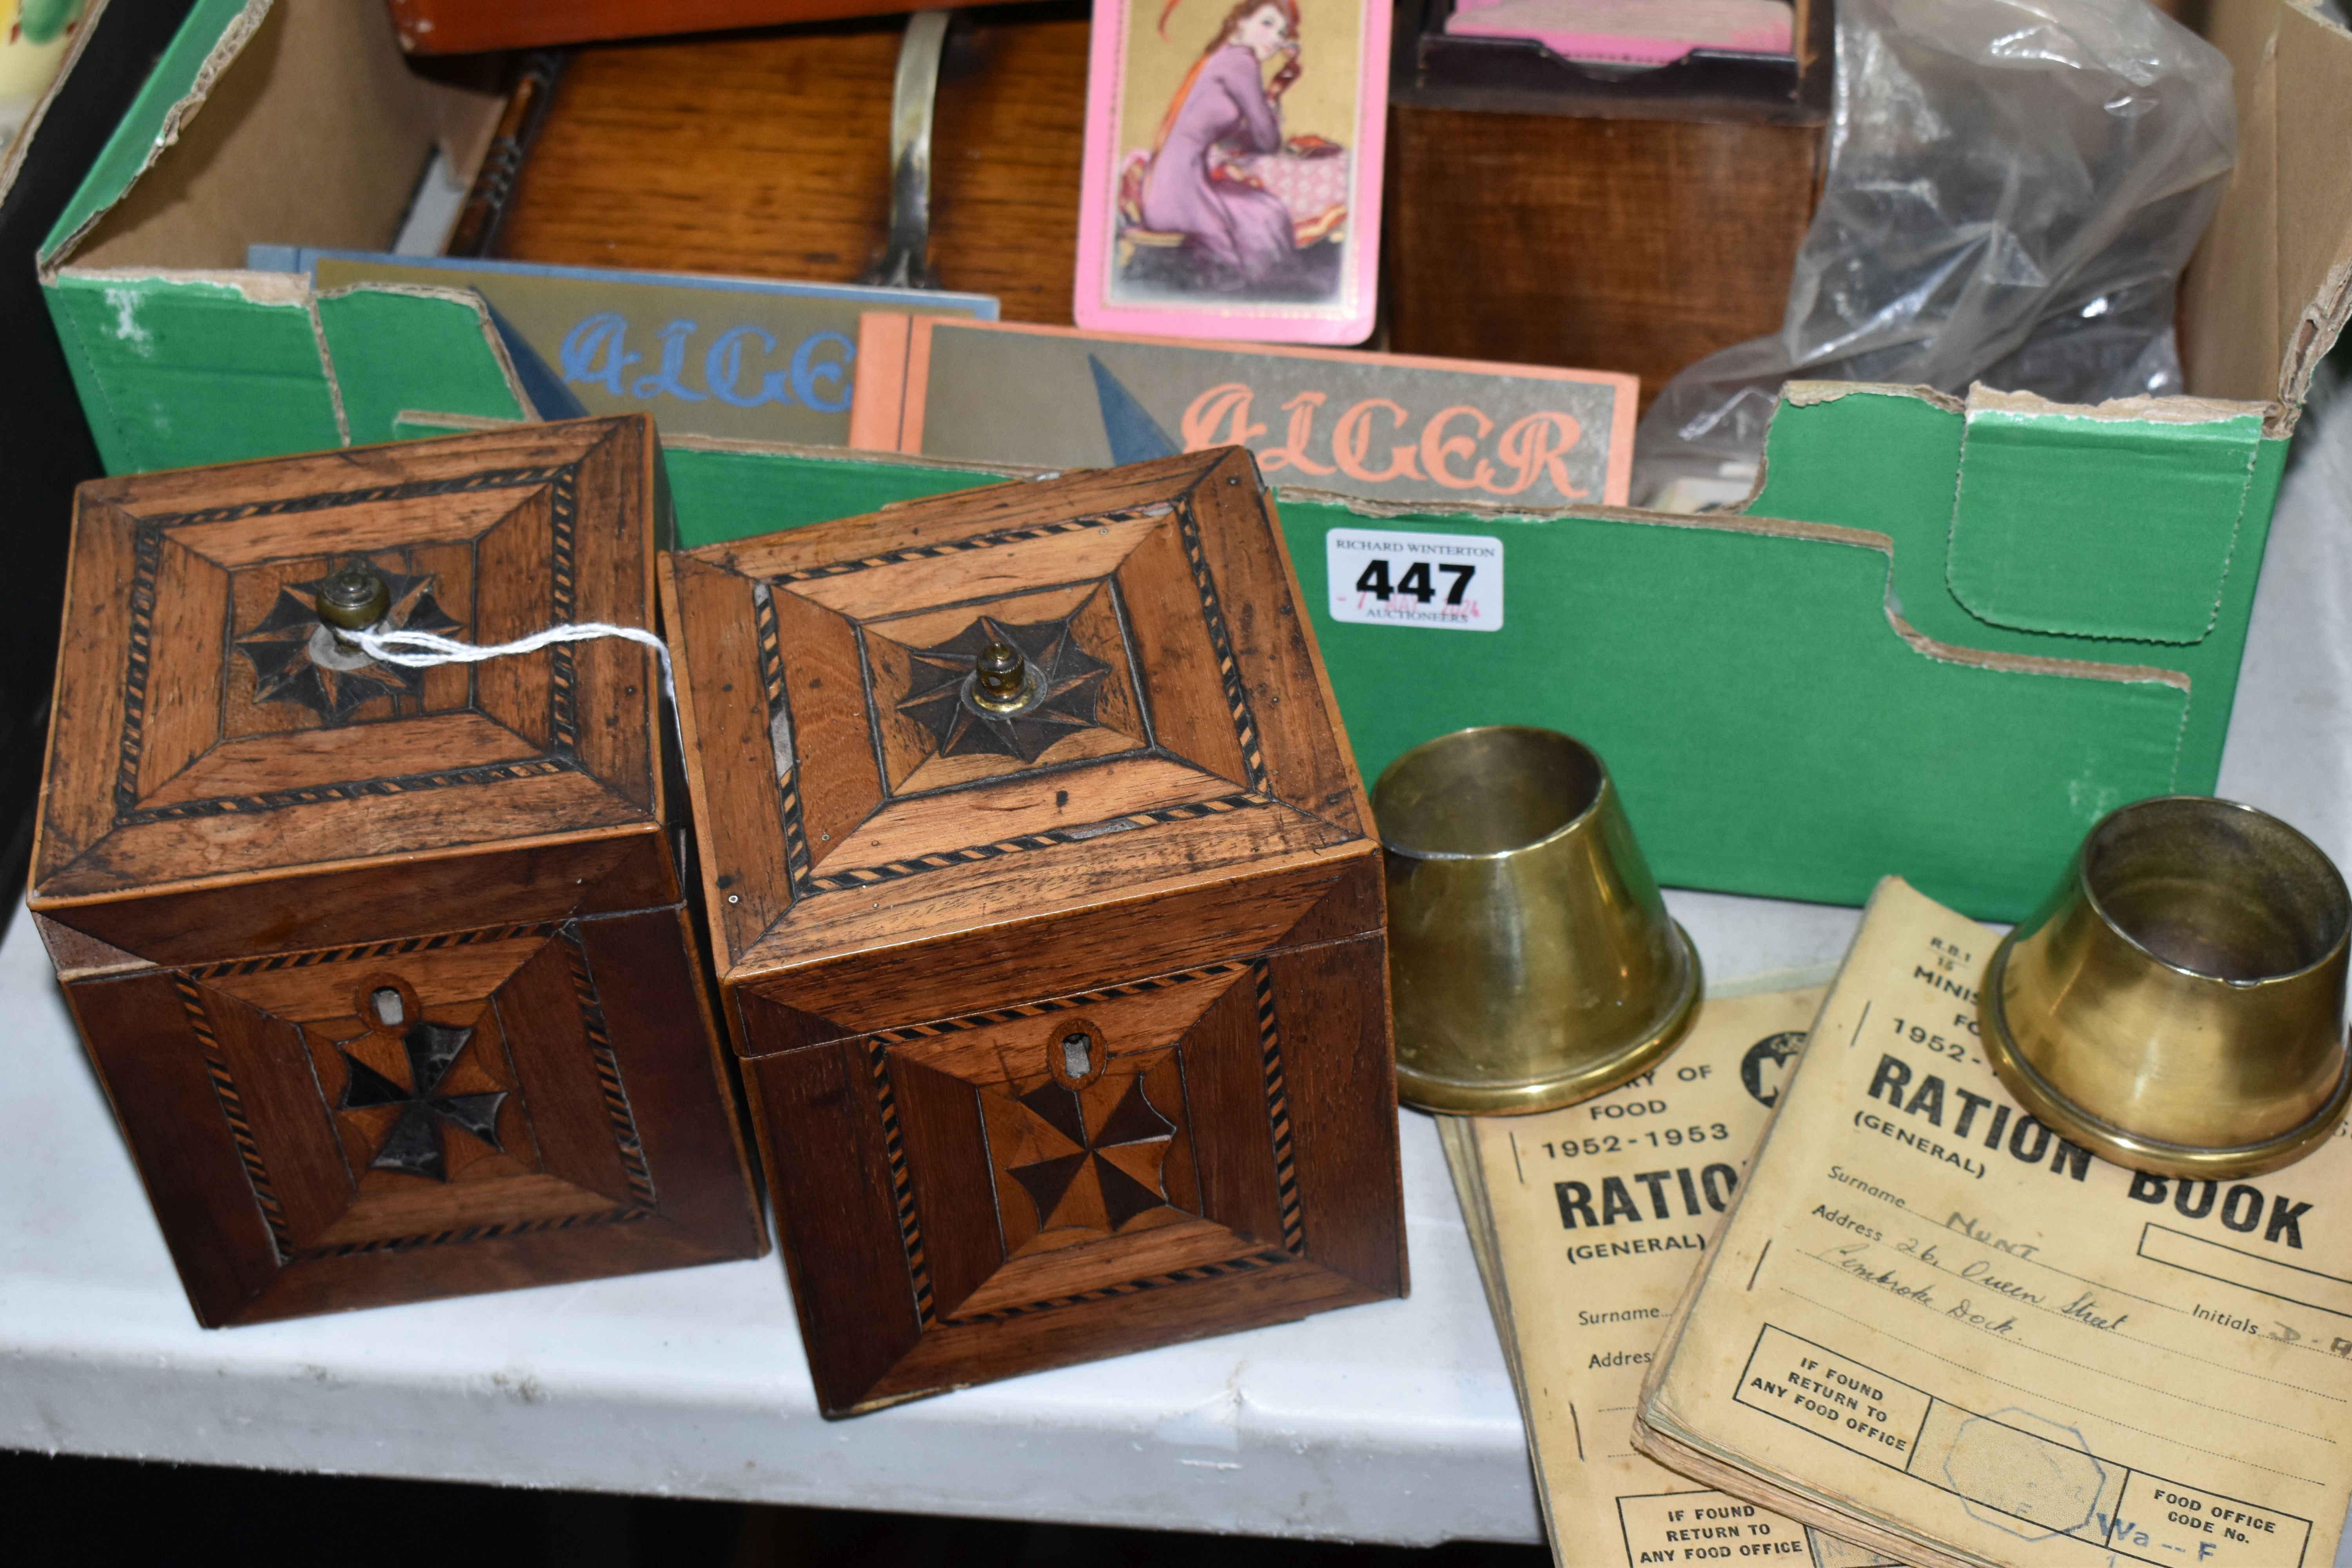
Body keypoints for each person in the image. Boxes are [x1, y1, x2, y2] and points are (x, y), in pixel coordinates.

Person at [1137, 0, 1306, 289]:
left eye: (1282, 33)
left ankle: (1269, 293)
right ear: (1240, 22)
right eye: (1267, 24)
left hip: (1170, 185)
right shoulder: (1241, 61)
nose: (1275, 39)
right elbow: (1267, 142)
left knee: (1264, 208)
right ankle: (1269, 296)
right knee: (1265, 215)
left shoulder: (1223, 57)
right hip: (1179, 191)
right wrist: (1277, 90)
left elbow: (1240, 136)